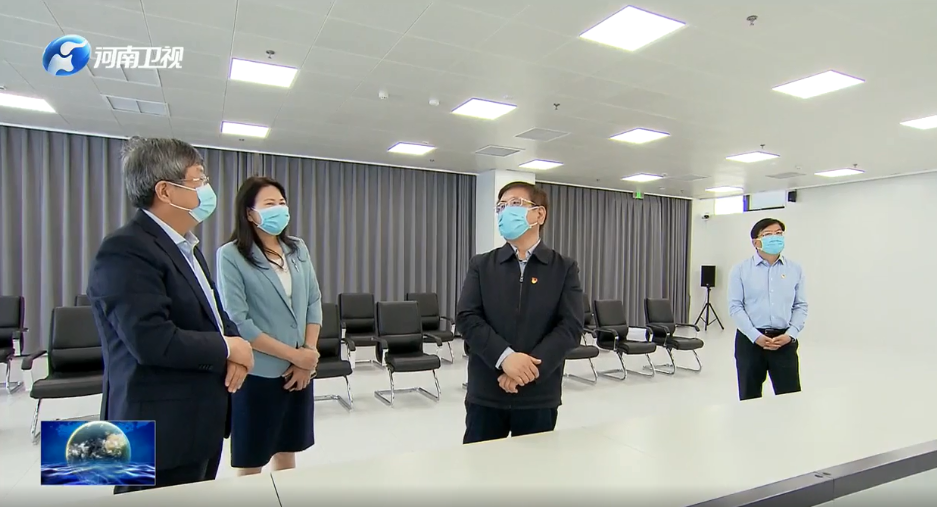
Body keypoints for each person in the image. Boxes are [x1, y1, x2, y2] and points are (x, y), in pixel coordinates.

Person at [86, 137, 254, 494]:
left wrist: (235, 345)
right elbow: (151, 339)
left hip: (198, 422)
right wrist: (228, 349)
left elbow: (214, 314)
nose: (207, 188)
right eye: (199, 179)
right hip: (157, 431)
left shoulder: (186, 247)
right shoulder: (125, 249)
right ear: (165, 190)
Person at [456, 181, 583, 444]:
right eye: (501, 207)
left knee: (533, 467)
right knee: (481, 466)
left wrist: (525, 371)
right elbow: (467, 318)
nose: (505, 212)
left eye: (514, 204)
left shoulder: (564, 268)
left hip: (538, 394)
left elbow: (570, 327)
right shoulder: (482, 264)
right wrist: (505, 359)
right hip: (487, 391)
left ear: (539, 214)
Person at [215, 176, 322, 475]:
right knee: (252, 460)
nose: (279, 209)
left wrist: (308, 353)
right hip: (258, 372)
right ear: (250, 213)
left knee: (288, 452)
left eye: (282, 203)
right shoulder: (231, 255)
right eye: (270, 203)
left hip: (299, 372)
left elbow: (313, 301)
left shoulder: (297, 249)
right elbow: (239, 321)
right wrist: (295, 356)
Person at [728, 217, 808, 401]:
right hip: (750, 342)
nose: (775, 238)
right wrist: (755, 336)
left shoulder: (795, 269)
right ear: (756, 242)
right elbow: (735, 306)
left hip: (784, 341)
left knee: (790, 398)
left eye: (779, 233)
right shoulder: (740, 270)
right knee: (750, 397)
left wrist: (791, 334)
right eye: (768, 234)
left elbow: (800, 305)